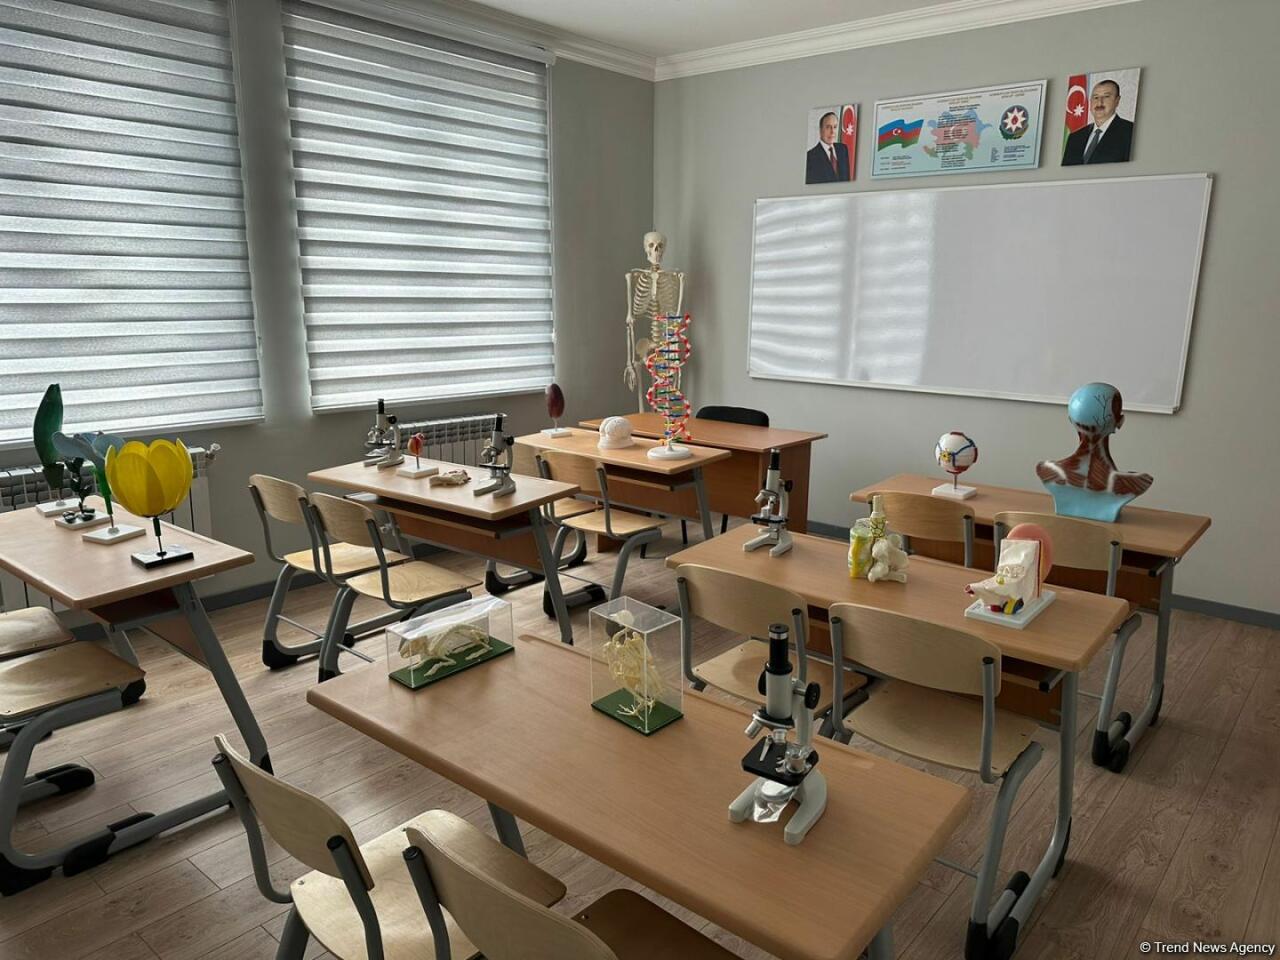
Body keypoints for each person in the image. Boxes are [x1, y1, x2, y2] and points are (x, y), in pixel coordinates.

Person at [1062, 79, 1134, 165]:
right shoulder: (1075, 137)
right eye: (1095, 97)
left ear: (1117, 100)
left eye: (1106, 96)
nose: (1099, 102)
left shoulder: (1130, 132)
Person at [805, 111, 851, 183]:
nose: (832, 132)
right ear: (820, 130)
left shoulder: (843, 149)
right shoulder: (810, 157)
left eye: (835, 127)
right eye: (828, 127)